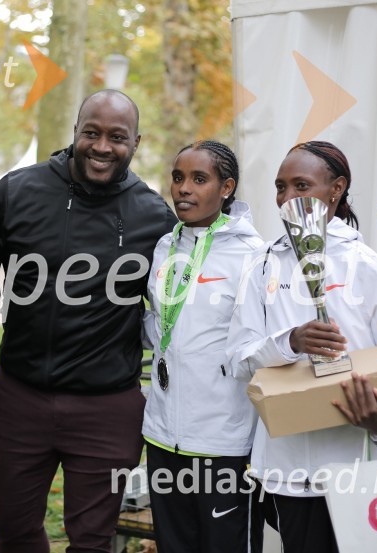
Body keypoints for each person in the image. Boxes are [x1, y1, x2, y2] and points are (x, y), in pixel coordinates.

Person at [0, 89, 177, 552]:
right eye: (92, 133)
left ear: (136, 143)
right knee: (13, 529)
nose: (102, 147)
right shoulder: (17, 191)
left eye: (117, 137)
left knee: (92, 541)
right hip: (20, 398)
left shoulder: (154, 217)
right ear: (76, 131)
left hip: (106, 408)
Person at [225, 141, 377, 553]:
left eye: (301, 185)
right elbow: (237, 359)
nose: (287, 198)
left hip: (354, 465)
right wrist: (290, 342)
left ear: (336, 189)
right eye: (280, 187)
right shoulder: (264, 264)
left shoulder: (368, 266)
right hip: (287, 471)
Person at [141, 140, 263, 553]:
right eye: (178, 178)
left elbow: (256, 346)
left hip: (223, 443)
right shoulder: (164, 247)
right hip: (161, 437)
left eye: (199, 179)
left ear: (226, 187)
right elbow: (160, 326)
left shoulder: (253, 255)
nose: (183, 189)